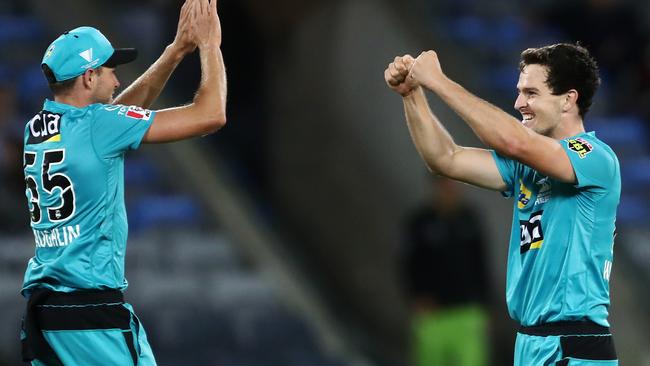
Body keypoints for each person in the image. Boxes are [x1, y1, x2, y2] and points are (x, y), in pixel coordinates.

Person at [385, 43, 620, 365]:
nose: (519, 103)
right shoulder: (526, 166)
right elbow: (447, 158)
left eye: (531, 93)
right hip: (530, 341)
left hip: (572, 344)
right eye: (520, 92)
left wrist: (438, 81)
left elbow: (513, 142)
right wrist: (413, 95)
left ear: (568, 99)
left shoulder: (594, 156)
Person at [20, 0, 226, 364]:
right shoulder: (101, 127)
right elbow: (210, 115)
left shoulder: (37, 128)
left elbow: (113, 120)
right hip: (92, 314)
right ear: (87, 78)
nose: (117, 79)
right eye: (109, 71)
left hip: (46, 317)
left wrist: (175, 51)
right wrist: (209, 46)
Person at [402, 176, 490, 366]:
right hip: (433, 315)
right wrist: (416, 296)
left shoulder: (470, 220)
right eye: (445, 184)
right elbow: (408, 264)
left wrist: (484, 303)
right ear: (435, 186)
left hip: (467, 312)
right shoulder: (420, 223)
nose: (450, 189)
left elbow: (480, 263)